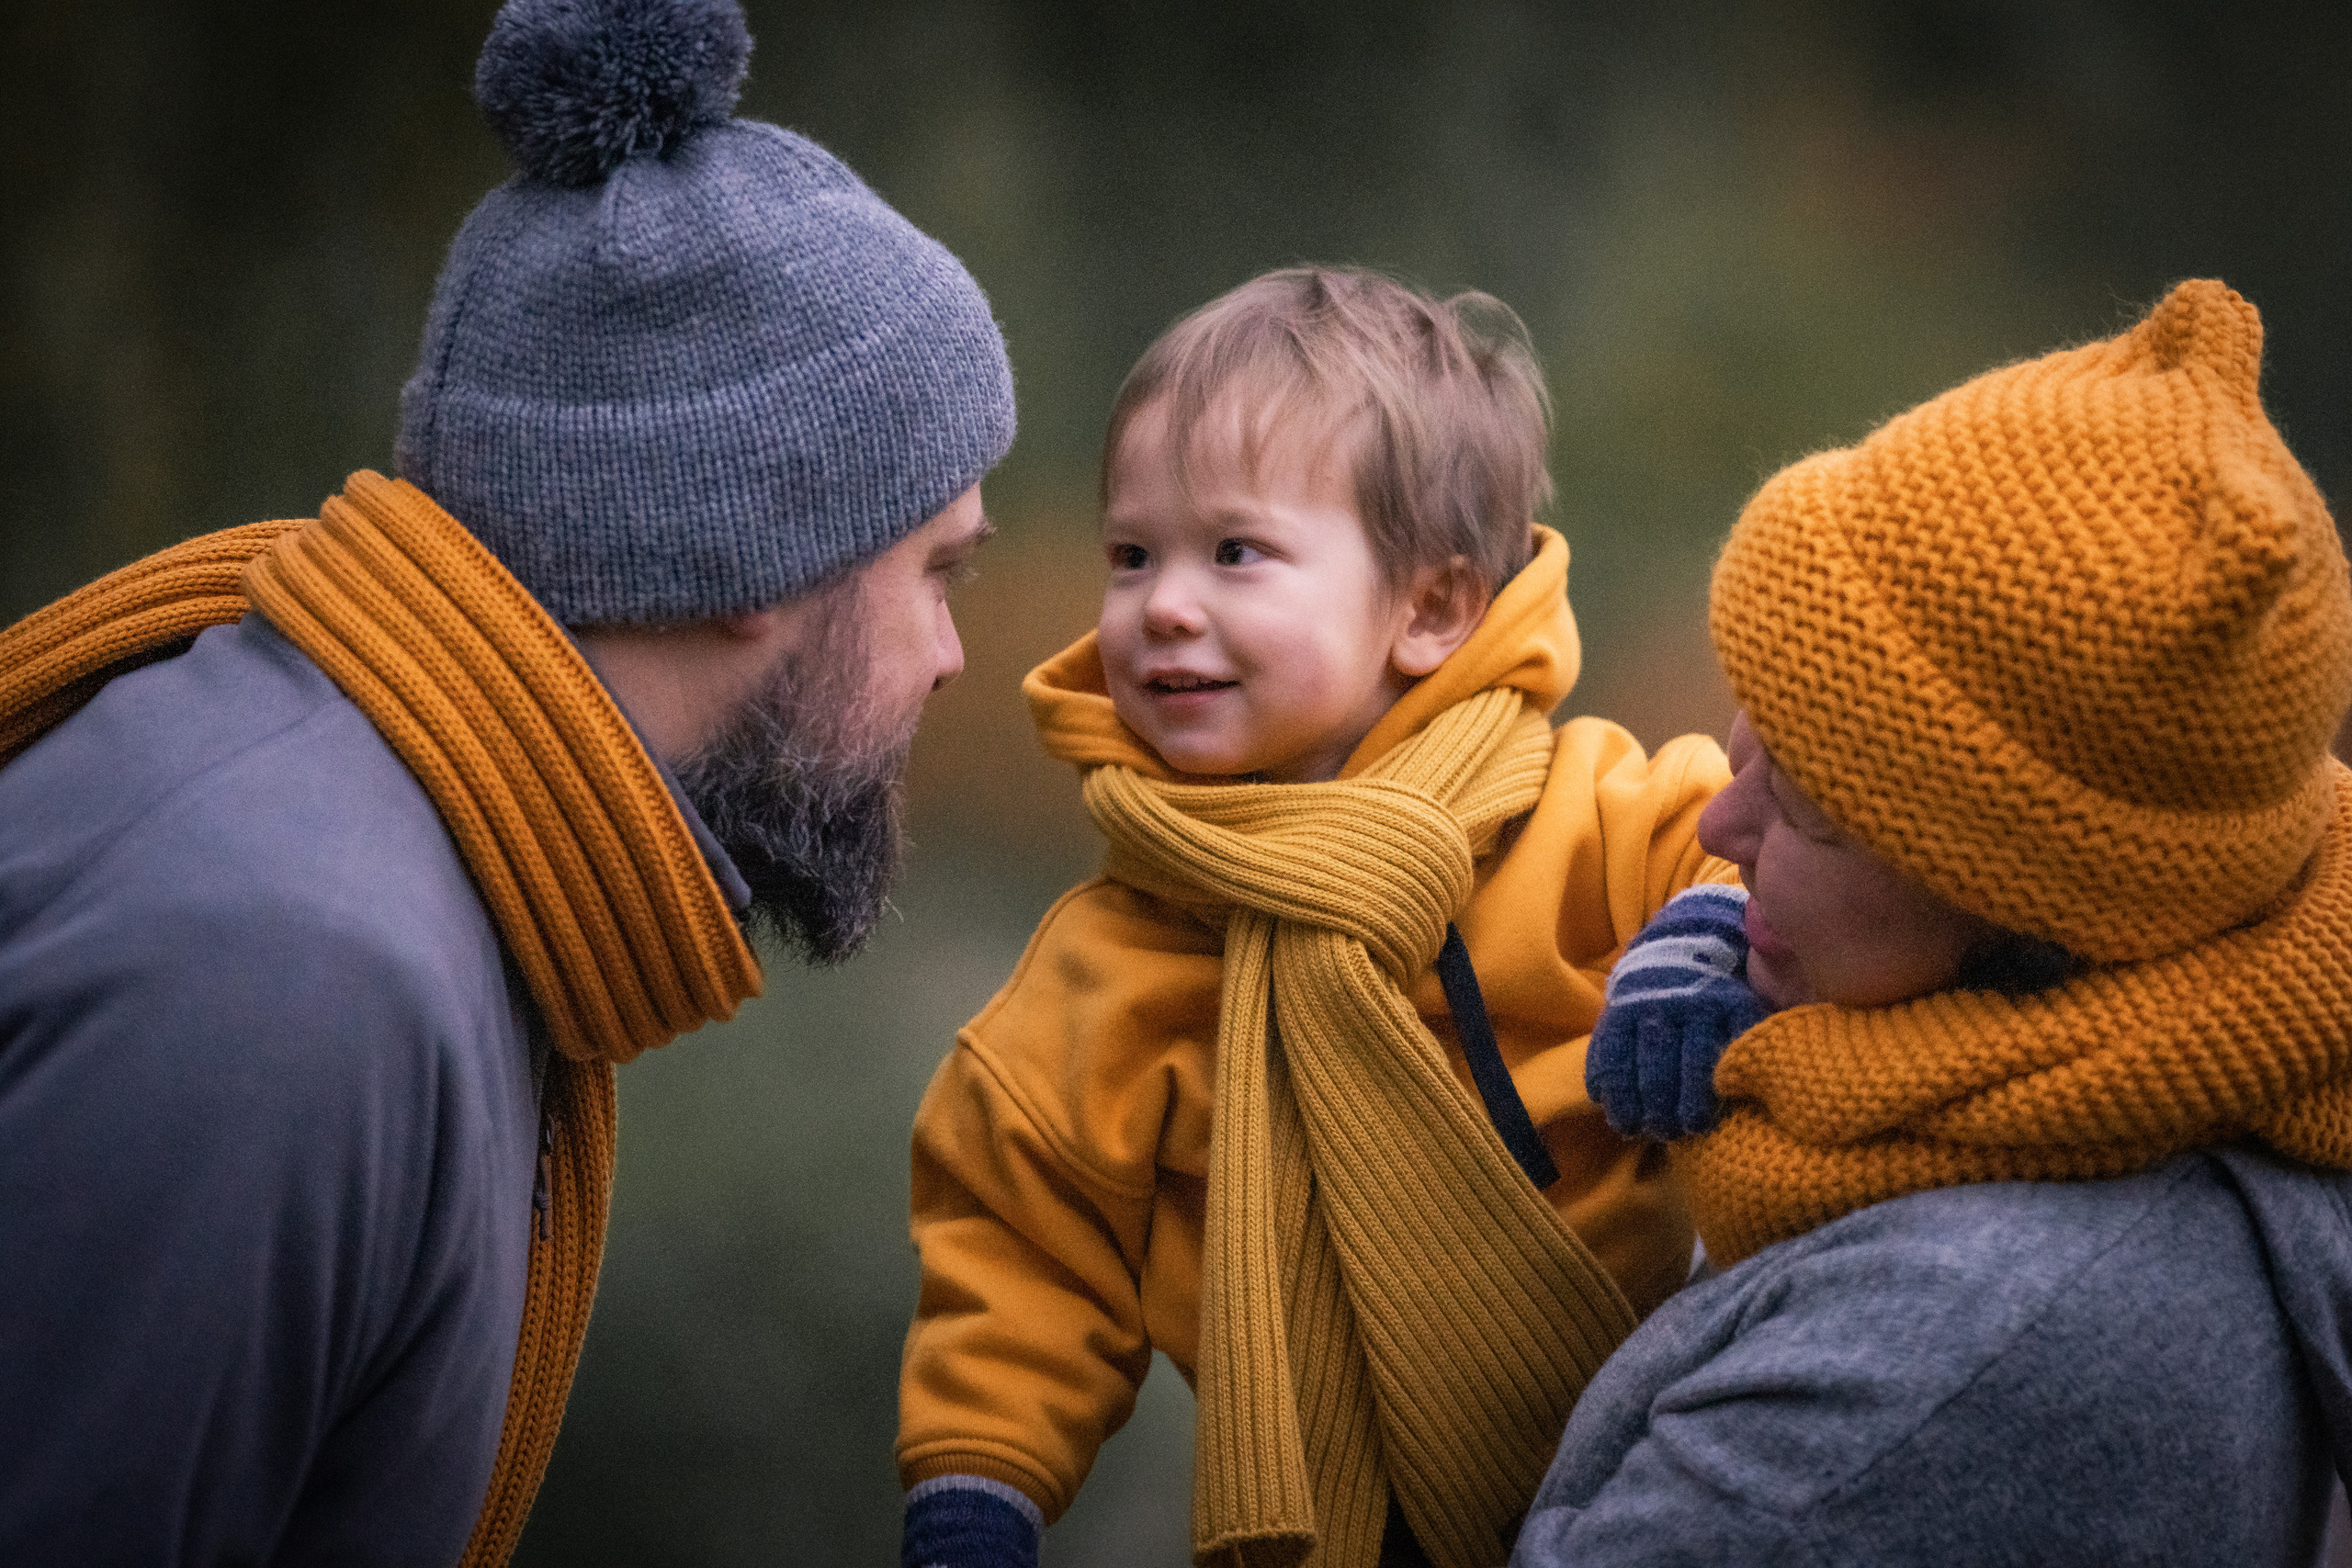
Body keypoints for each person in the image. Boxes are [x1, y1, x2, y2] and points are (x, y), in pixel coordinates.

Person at [0, 0, 1012, 1562]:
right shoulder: (289, 979)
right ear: (760, 547)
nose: (953, 655)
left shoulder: (397, 882)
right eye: (937, 570)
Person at [897, 267, 1738, 1568]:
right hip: (1350, 1524)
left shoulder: (1580, 814)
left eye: (1235, 552)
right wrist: (975, 1495)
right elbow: (1024, 1244)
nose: (1164, 604)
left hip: (1661, 1457)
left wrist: (1701, 950)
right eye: (1131, 555)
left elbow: (1739, 854)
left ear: (1430, 609)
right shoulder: (1117, 956)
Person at [1519, 278, 2352, 1566]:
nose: (1720, 824)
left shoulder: (1953, 1369)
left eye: (1810, 807)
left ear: (2034, 907)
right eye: (1756, 728)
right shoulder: (2000, 1120)